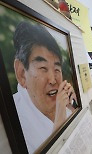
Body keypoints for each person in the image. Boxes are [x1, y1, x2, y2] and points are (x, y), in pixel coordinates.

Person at [13, 22, 77, 153]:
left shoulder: (65, 102)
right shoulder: (13, 121)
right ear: (21, 74)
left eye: (57, 69)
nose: (53, 80)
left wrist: (74, 109)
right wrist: (60, 121)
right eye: (43, 68)